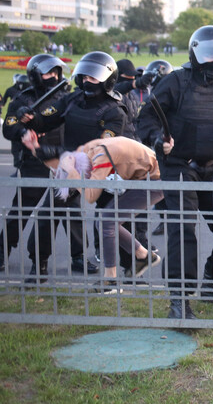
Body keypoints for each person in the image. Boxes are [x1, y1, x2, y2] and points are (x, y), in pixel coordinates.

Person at [136, 25, 213, 319]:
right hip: (181, 167)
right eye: (209, 55)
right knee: (183, 232)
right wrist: (157, 140)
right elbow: (147, 116)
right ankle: (179, 301)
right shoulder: (175, 82)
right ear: (196, 54)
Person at [18, 51, 133, 277]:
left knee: (116, 219)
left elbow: (99, 150)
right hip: (70, 170)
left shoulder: (114, 111)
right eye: (85, 77)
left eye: (94, 78)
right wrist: (31, 118)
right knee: (48, 214)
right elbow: (47, 121)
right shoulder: (72, 99)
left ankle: (131, 267)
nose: (87, 82)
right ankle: (38, 265)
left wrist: (49, 152)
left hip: (103, 172)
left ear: (107, 80)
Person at [24, 135, 163, 292]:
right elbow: (61, 165)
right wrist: (36, 150)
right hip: (142, 176)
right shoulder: (83, 152)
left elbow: (90, 196)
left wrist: (71, 171)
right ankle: (143, 255)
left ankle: (110, 281)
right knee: (105, 221)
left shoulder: (101, 157)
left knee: (107, 221)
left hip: (155, 180)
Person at [0, 55, 72, 279]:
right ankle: (2, 251)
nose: (53, 77)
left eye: (56, 73)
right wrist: (23, 131)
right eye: (48, 73)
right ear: (35, 75)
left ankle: (44, 262)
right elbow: (9, 127)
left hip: (61, 162)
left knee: (54, 215)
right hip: (33, 162)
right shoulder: (23, 99)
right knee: (20, 211)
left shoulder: (67, 99)